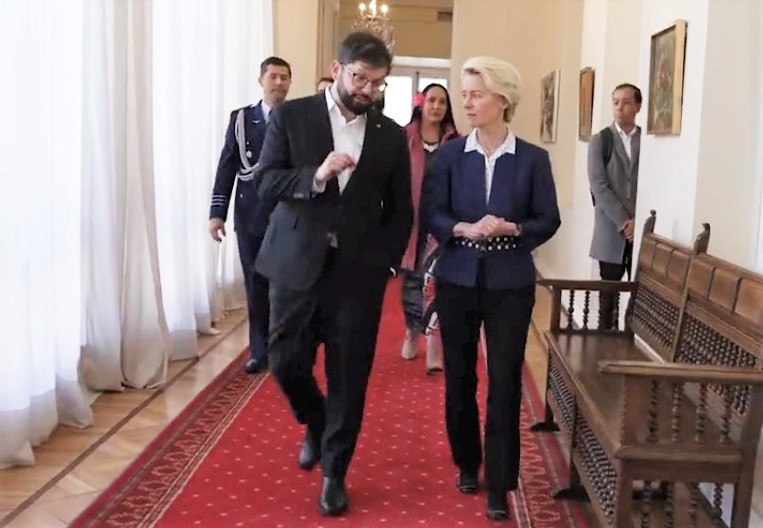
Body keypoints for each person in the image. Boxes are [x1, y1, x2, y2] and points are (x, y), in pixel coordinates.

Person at [254, 32, 412, 516]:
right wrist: (316, 176)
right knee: (284, 361)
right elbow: (265, 181)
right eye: (360, 78)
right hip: (295, 263)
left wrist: (386, 263)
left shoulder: (389, 135)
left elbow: (401, 210)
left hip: (357, 275)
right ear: (337, 68)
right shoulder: (292, 116)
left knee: (350, 374)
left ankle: (335, 473)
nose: (367, 90)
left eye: (378, 83)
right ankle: (316, 421)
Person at [425, 56, 560, 521]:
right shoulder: (449, 156)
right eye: (464, 94)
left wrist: (513, 228)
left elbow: (548, 219)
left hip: (510, 282)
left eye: (476, 94)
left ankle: (500, 482)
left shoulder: (533, 159)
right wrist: (461, 228)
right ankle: (467, 461)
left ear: (503, 99)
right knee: (460, 377)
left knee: (504, 381)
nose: (466, 103)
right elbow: (432, 214)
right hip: (457, 277)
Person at [208, 57, 292, 374]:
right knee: (256, 288)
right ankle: (259, 351)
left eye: (284, 77)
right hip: (251, 216)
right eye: (273, 76)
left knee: (285, 287)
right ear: (261, 80)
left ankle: (284, 348)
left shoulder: (298, 118)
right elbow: (227, 166)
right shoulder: (242, 119)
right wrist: (217, 213)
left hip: (288, 217)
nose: (279, 83)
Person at [399, 83, 458, 375]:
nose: (436, 106)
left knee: (436, 282)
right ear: (421, 103)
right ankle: (412, 331)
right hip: (411, 222)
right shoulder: (404, 137)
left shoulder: (455, 141)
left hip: (443, 222)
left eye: (442, 102)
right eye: (432, 100)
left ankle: (434, 340)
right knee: (412, 281)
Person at [588, 83, 641, 329]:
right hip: (611, 230)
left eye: (626, 102)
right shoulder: (601, 140)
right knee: (608, 294)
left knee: (639, 293)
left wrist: (638, 221)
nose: (620, 107)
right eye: (616, 102)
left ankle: (628, 341)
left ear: (638, 107)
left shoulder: (646, 140)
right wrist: (624, 221)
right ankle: (604, 339)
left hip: (639, 230)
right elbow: (598, 185)